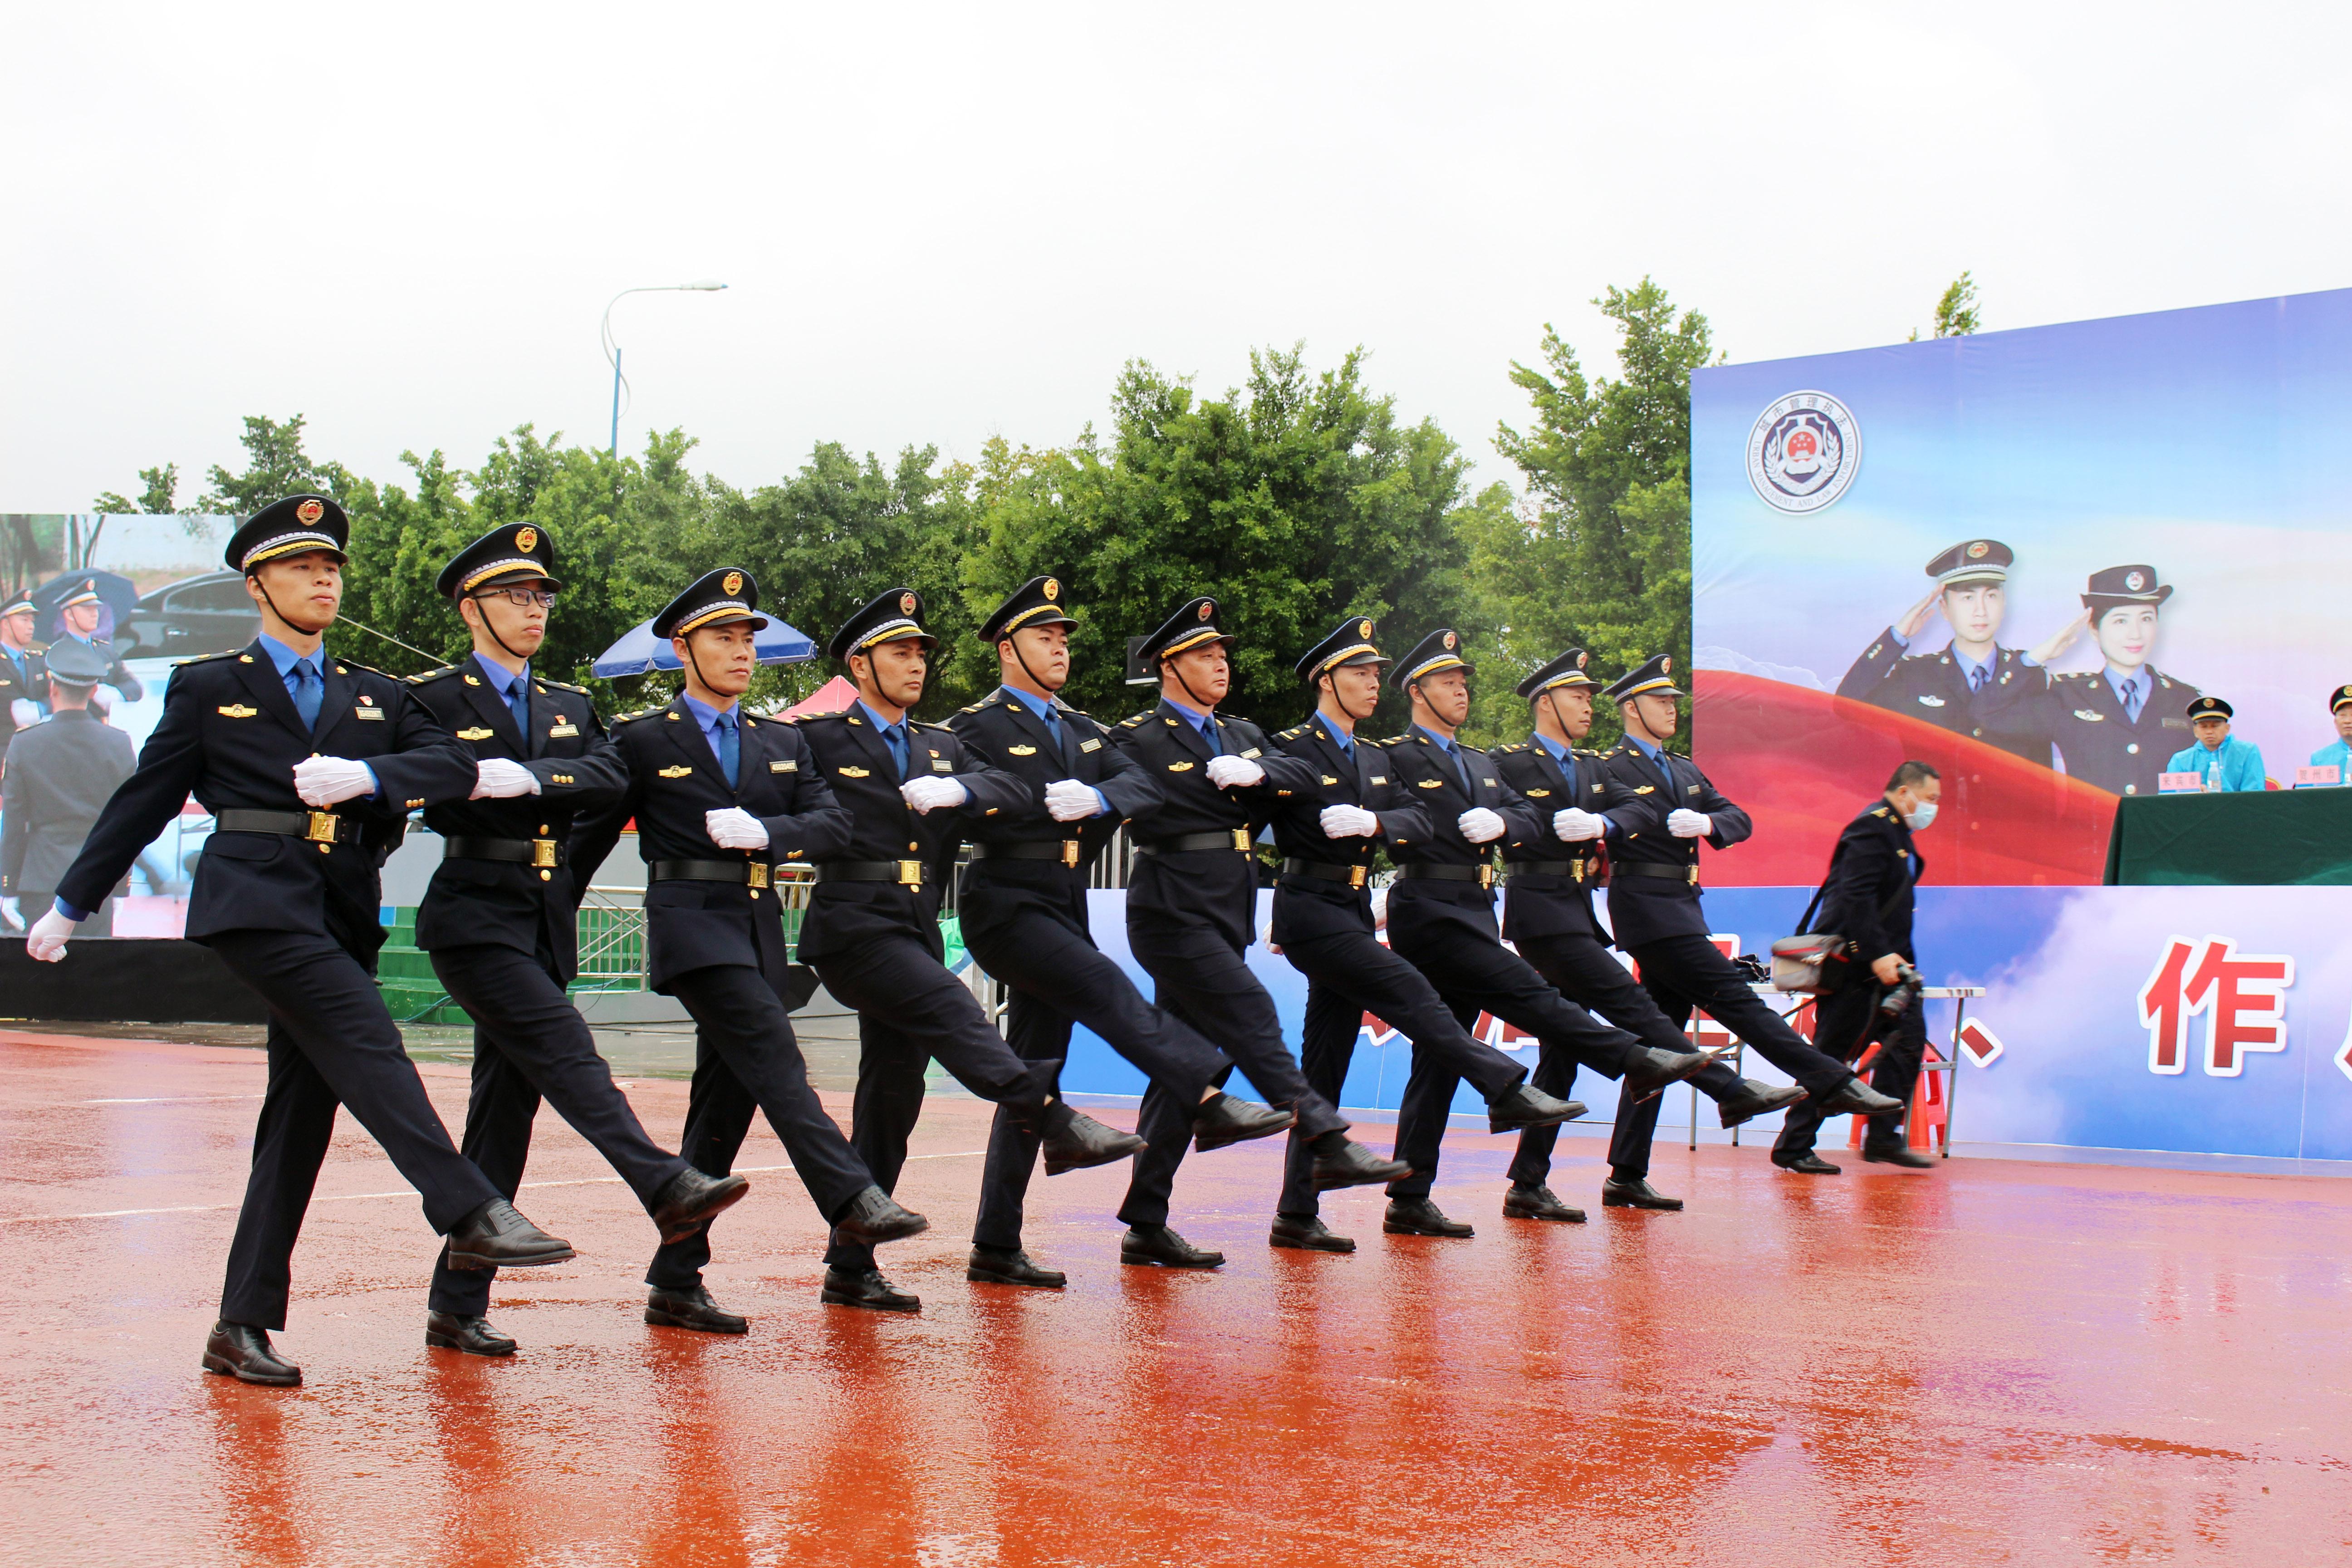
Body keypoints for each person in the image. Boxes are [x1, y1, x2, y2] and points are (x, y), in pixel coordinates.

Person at [26, 494, 576, 1388]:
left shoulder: (376, 694)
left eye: (330, 567)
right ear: (257, 586)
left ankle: (239, 1323)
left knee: (298, 1120)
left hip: (342, 905)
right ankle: (465, 1203)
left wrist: (370, 774)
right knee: (366, 1030)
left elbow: (448, 767)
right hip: (256, 898)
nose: (323, 578)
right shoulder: (210, 686)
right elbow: (146, 802)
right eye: (299, 567)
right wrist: (69, 902)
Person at [951, 579, 1398, 1287]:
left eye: (1065, 638)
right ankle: (1241, 1115)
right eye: (1046, 638)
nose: (1061, 648)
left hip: (1159, 903)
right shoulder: (983, 725)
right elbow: (1134, 798)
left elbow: (1145, 792)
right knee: (1194, 1031)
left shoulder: (1098, 729)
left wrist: (1108, 801)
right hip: (1079, 901)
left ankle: (1040, 1235)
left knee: (1041, 1073)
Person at [404, 525, 748, 1357]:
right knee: (565, 1049)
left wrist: (529, 777)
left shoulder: (566, 704)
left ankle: (456, 1302)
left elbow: (604, 776)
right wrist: (474, 776)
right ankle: (660, 1182)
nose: (534, 609)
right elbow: (424, 771)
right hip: (473, 908)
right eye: (515, 596)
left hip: (541, 914)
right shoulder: (432, 698)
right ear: (470, 606)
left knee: (503, 1111)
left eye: (540, 596)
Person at [572, 571, 934, 1330]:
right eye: (721, 639)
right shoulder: (642, 739)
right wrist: (543, 934)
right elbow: (586, 844)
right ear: (681, 649)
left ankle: (676, 1277)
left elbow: (832, 825)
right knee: (774, 1056)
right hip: (692, 927)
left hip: (757, 927)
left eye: (746, 640)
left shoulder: (779, 739)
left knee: (724, 1102)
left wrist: (773, 834)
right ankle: (850, 1197)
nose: (740, 653)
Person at [786, 587, 1154, 1313]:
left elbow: (1012, 790)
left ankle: (851, 1263)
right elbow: (772, 785)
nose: (916, 663)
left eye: (922, 650)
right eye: (900, 651)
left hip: (916, 922)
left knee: (893, 1094)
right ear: (861, 665)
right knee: (953, 1011)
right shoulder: (819, 738)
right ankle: (1055, 1122)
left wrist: (961, 789)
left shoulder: (939, 745)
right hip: (853, 923)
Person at [1103, 596, 1408, 1270]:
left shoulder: (1243, 734)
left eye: (1222, 654)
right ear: (1167, 666)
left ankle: (1145, 1222)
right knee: (1247, 1014)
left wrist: (1262, 772)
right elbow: (1128, 794)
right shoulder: (1139, 737)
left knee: (1190, 1067)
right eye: (1205, 655)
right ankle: (1327, 1138)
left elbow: (1303, 776)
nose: (1221, 665)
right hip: (1173, 908)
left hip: (1226, 911)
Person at [1372, 629, 1710, 1239]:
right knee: (1531, 1000)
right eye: (1449, 683)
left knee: (1440, 1060)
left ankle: (1412, 1193)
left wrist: (1502, 819)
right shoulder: (1394, 755)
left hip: (1479, 904)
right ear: (1416, 691)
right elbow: (1380, 813)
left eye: (1465, 683)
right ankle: (1630, 1059)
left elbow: (1526, 815)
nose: (1462, 691)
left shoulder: (1477, 761)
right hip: (1429, 903)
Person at [1262, 617, 1583, 1253]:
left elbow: (1416, 816)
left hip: (1367, 904)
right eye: (1361, 673)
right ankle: (1503, 1088)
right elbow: (1271, 818)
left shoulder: (1389, 756)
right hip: (1372, 910)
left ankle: (1303, 1210)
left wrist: (1381, 824)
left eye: (1375, 672)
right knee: (1419, 1009)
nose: (1371, 683)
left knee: (1328, 1064)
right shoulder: (1311, 746)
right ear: (1328, 681)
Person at [1490, 646, 1805, 1213]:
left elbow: (1642, 813)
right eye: (1577, 696)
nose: (1587, 705)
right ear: (1545, 701)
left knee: (1568, 1048)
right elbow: (1490, 814)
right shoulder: (1513, 762)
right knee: (1639, 1018)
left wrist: (1611, 822)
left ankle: (1543, 1181)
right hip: (1550, 914)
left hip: (1589, 912)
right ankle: (1727, 1092)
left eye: (1590, 696)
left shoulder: (1603, 768)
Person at [1591, 653, 1906, 1183]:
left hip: (1684, 908)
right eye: (1660, 702)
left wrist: (1709, 822)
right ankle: (1831, 1081)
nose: (1672, 710)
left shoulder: (1685, 769)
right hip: (1646, 910)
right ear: (1629, 707)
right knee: (1735, 1002)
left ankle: (1626, 1171)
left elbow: (1740, 819)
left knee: (1660, 1048)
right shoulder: (1607, 767)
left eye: (1673, 701)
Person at [1772, 762, 1944, 1173]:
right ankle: (1794, 1145)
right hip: (1859, 968)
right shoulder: (1871, 828)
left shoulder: (1897, 832)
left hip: (1892, 968)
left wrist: (1900, 960)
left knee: (1907, 1045)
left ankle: (1884, 1138)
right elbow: (1855, 898)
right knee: (1833, 1056)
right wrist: (1877, 954)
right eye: (1931, 799)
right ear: (1904, 794)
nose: (1934, 808)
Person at [1976, 565, 2199, 798]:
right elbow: (1987, 714)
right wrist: (2036, 657)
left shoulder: (2185, 700)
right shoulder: (2068, 696)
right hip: (2095, 833)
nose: (2136, 634)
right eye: (2120, 621)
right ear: (2094, 629)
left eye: (2146, 619)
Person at [1836, 539, 2048, 762]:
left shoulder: (2028, 673)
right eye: (1968, 598)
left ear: (2004, 603)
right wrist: (1896, 637)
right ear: (1945, 609)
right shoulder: (1916, 675)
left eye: (1991, 596)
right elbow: (1847, 706)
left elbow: (2041, 765)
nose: (1981, 611)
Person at [1, 638, 137, 935]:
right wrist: (121, 886)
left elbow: (13, 822)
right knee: (94, 976)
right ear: (94, 691)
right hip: (98, 879)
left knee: (40, 977)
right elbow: (128, 823)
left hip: (41, 878)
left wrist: (7, 887)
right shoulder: (118, 743)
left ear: (53, 688)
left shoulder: (24, 744)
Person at [51, 580, 144, 704]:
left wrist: (117, 694)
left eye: (95, 609)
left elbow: (134, 687)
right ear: (69, 614)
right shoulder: (59, 654)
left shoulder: (105, 650)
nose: (95, 614)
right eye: (87, 609)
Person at [2164, 696, 2264, 792]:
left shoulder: (2248, 752)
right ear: (2195, 731)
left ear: (2227, 728)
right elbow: (2173, 799)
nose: (2209, 732)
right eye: (2204, 727)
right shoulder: (2181, 760)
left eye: (2215, 726)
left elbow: (2254, 794)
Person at [0, 589, 45, 767]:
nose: (31, 626)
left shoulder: (38, 660)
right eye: (24, 620)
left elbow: (54, 695)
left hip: (35, 751)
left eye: (32, 621)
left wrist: (40, 708)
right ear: (5, 624)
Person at [2308, 685, 2352, 780]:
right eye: (2343, 715)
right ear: (2335, 722)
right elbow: (2311, 794)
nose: (2348, 721)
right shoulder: (2320, 759)